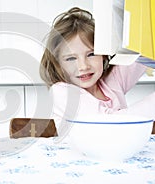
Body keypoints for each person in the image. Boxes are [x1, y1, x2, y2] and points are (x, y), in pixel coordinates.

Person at [39, 7, 155, 135]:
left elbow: (143, 52)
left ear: (103, 54)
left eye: (91, 54)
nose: (83, 66)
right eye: (71, 58)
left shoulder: (111, 82)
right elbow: (109, 124)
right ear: (58, 65)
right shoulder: (62, 93)